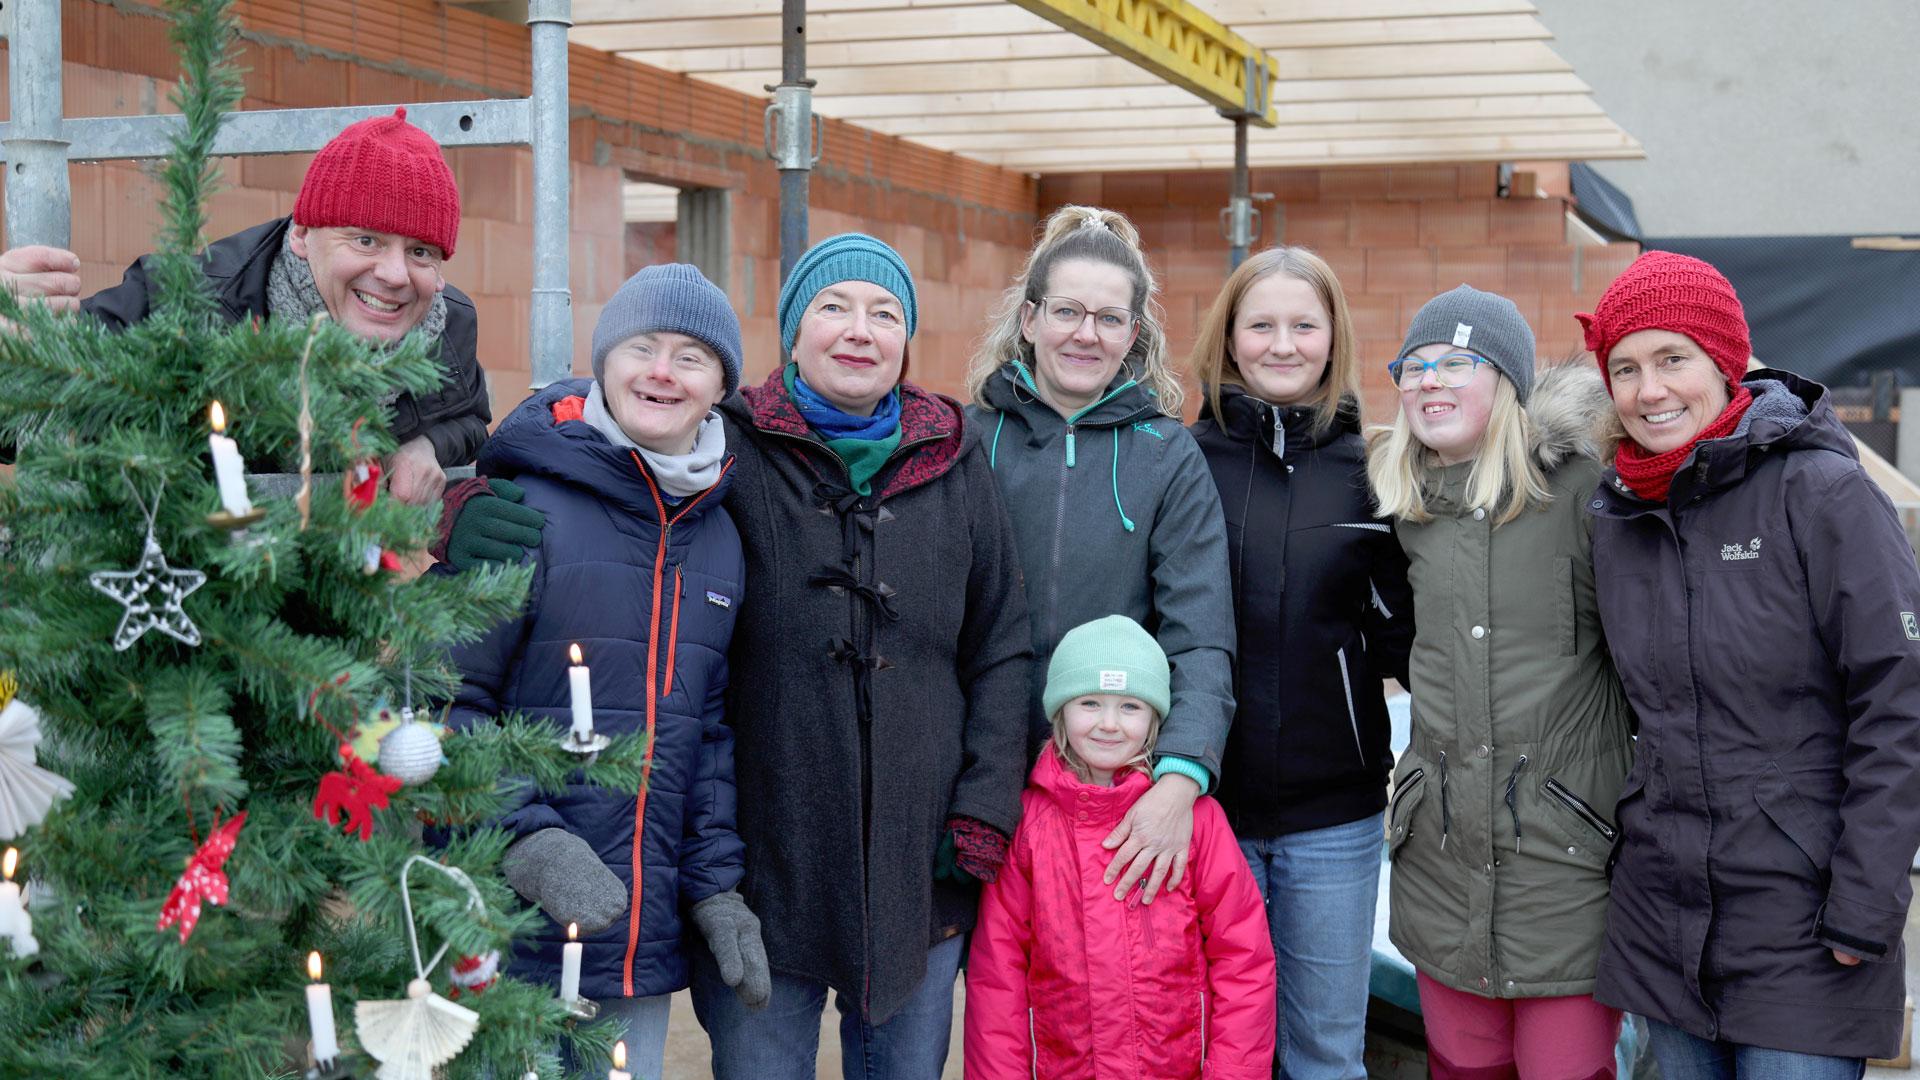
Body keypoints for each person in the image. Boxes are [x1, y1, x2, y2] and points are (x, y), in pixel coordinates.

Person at [1580, 252, 1920, 1076]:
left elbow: (1900, 702)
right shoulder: (1618, 513)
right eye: (1625, 368)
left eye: (1672, 360)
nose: (1649, 390)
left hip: (1806, 925)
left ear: (1727, 364)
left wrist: (1866, 903)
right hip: (1666, 924)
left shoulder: (1823, 495)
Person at [446, 265, 768, 1079]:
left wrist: (715, 887)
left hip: (635, 945)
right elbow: (443, 704)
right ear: (603, 360)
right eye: (643, 348)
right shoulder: (522, 507)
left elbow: (707, 737)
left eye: (692, 356)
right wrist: (528, 844)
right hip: (506, 932)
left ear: (721, 385)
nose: (662, 372)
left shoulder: (721, 537)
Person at [1367, 286, 1633, 1080]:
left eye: (1457, 363)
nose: (1429, 382)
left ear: (1510, 383)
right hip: (1442, 861)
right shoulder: (1402, 508)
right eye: (1413, 366)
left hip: (1565, 861)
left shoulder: (1586, 494)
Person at [0, 108, 488, 503]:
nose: (396, 275)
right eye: (365, 240)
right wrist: (10, 332)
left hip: (333, 604)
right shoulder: (188, 303)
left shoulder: (447, 326)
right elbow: (28, 410)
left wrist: (423, 445)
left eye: (420, 251)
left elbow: (468, 421)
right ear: (302, 234)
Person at [964, 204, 1236, 909]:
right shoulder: (966, 442)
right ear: (1029, 320)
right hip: (970, 784)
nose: (1087, 334)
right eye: (1067, 312)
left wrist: (1180, 780)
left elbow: (1200, 635)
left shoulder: (1167, 456)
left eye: (1110, 318)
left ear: (1133, 335)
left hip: (1105, 792)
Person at [1186, 246, 1413, 1080]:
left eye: (1303, 325)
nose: (1283, 345)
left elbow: (1408, 637)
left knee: (1323, 1053)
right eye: (1262, 325)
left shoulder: (1376, 471)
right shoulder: (1183, 462)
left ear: (1333, 338)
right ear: (1231, 337)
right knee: (1222, 1052)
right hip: (1207, 813)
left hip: (1336, 820)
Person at [965, 614, 1276, 1080]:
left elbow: (1243, 960)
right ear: (1060, 713)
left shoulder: (1196, 821)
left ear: (1155, 717)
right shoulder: (1029, 825)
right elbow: (998, 977)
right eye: (1089, 702)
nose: (1109, 724)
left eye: (1130, 706)